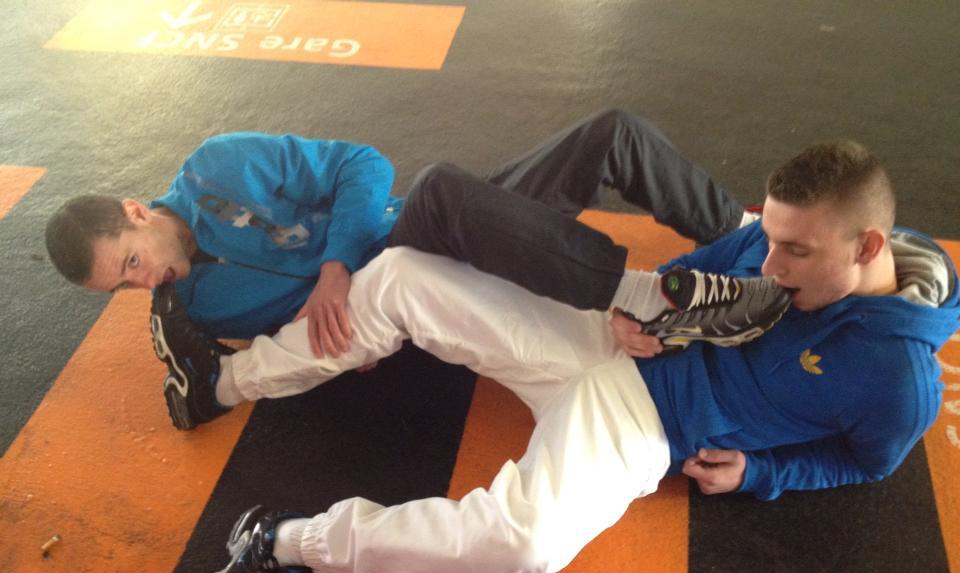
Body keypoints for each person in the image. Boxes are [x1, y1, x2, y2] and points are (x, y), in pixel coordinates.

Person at [176, 130, 958, 573]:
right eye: (772, 238)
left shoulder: (897, 379)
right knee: (400, 277)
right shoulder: (776, 239)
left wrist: (763, 473)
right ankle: (222, 382)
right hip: (603, 341)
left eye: (796, 252)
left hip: (645, 425)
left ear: (867, 247)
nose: (772, 263)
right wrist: (631, 311)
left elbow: (864, 461)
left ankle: (284, 543)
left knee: (524, 544)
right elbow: (700, 270)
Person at [45, 110, 790, 428]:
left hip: (434, 227)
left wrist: (335, 264)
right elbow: (296, 345)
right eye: (123, 286)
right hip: (406, 296)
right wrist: (346, 329)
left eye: (133, 262)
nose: (144, 284)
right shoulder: (198, 304)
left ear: (136, 211)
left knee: (609, 134)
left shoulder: (219, 165)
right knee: (437, 198)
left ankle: (748, 237)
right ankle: (646, 297)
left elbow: (362, 165)